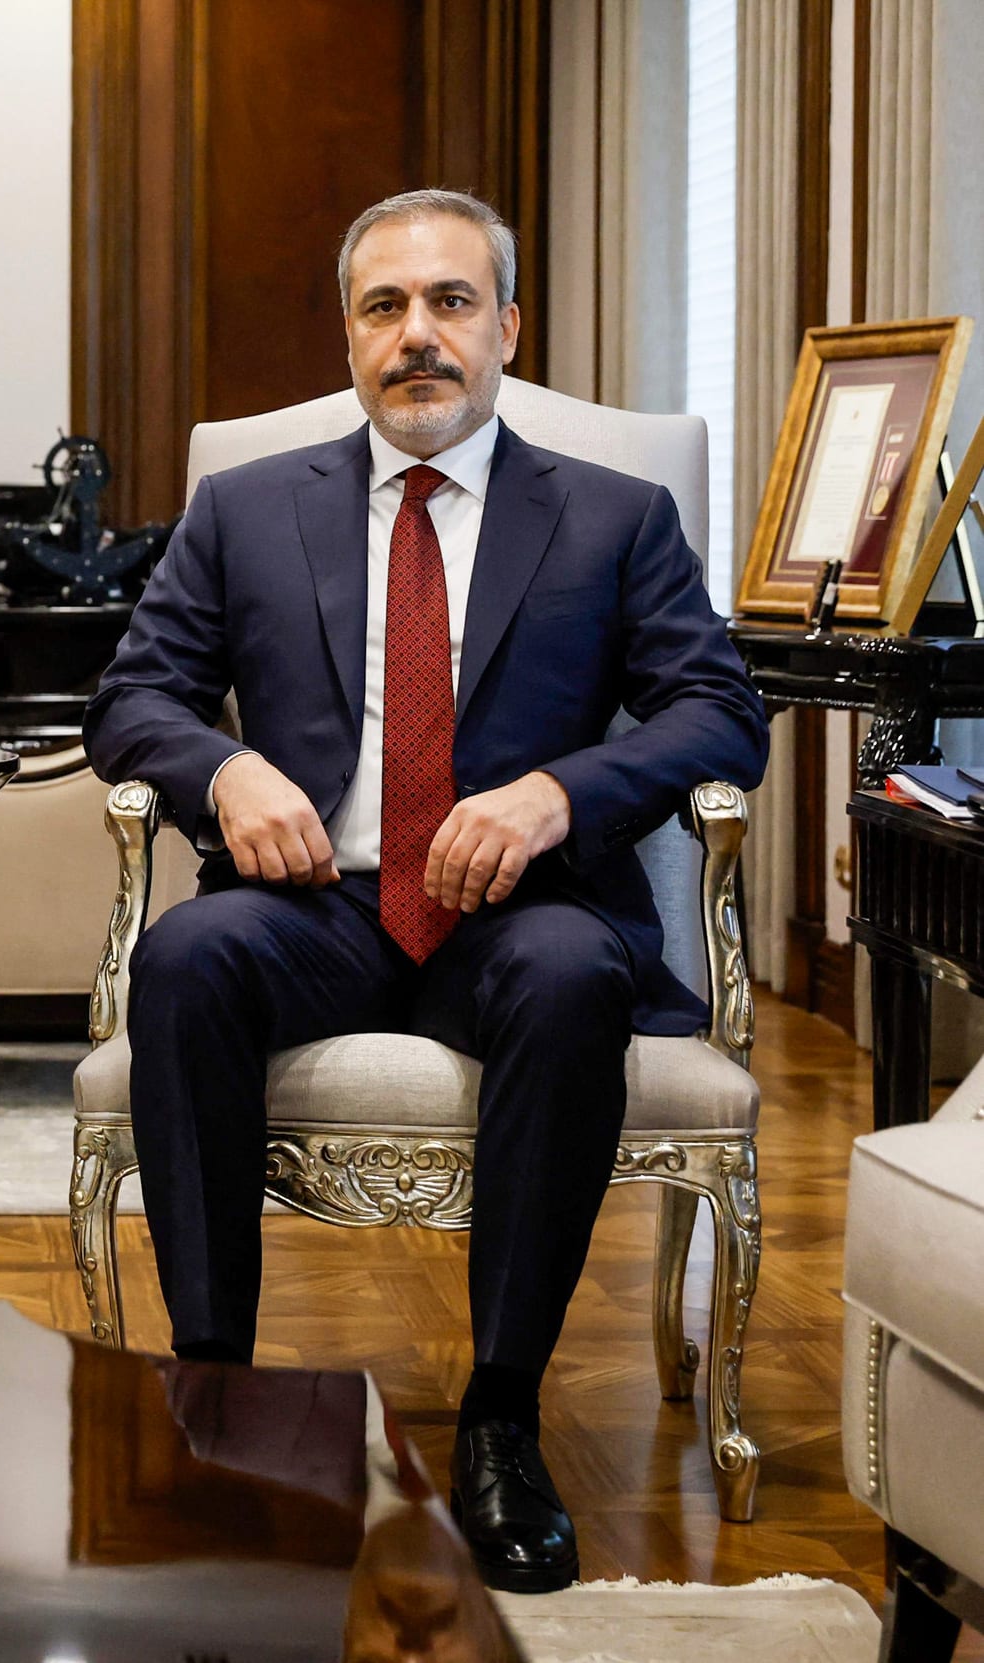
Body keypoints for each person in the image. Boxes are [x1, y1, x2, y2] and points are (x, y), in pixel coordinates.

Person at [84, 188, 768, 1594]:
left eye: (451, 302)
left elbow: (720, 711)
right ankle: (215, 1397)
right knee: (186, 958)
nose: (420, 336)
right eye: (385, 307)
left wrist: (561, 791)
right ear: (348, 334)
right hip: (313, 905)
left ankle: (502, 1421)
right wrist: (223, 772)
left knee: (574, 974)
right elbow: (133, 696)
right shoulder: (245, 508)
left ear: (507, 325)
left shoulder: (613, 518)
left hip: (523, 910)